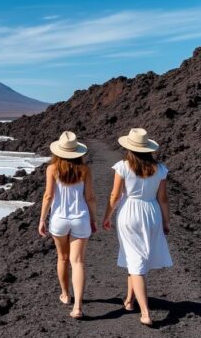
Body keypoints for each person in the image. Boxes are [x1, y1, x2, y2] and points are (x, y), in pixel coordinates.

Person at [103, 128, 172, 326]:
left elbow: (115, 196)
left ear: (129, 148)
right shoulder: (160, 169)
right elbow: (163, 199)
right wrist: (166, 221)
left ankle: (145, 313)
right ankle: (129, 300)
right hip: (152, 212)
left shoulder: (123, 167)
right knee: (136, 258)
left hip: (129, 213)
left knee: (135, 261)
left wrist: (107, 216)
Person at [38, 131, 97, 319]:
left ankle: (65, 294)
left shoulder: (52, 169)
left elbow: (48, 196)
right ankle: (78, 307)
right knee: (78, 261)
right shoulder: (85, 170)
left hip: (59, 219)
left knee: (62, 258)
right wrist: (93, 219)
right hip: (80, 218)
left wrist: (42, 219)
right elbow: (90, 197)